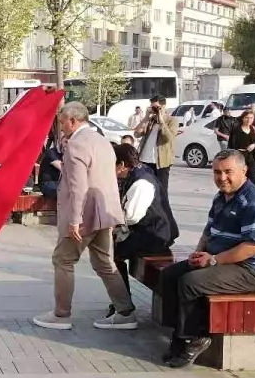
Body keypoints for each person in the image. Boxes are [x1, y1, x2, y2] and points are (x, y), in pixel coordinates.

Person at [158, 150, 255, 368]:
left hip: (249, 268)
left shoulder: (254, 201)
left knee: (191, 283)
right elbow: (209, 229)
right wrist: (199, 252)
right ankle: (178, 335)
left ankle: (195, 337)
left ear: (244, 171)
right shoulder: (221, 197)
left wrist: (212, 260)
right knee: (169, 275)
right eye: (217, 172)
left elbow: (252, 247)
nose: (222, 178)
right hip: (218, 259)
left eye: (228, 172)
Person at [32, 101, 135, 331]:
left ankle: (61, 315)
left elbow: (78, 186)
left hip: (84, 215)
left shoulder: (77, 145)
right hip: (104, 213)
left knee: (63, 259)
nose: (61, 128)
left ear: (72, 120)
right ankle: (125, 312)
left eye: (61, 123)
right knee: (104, 263)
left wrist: (75, 220)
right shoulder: (102, 140)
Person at [111, 143, 173, 312]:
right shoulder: (138, 174)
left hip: (155, 234)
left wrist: (112, 224)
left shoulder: (141, 182)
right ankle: (121, 301)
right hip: (149, 231)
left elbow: (131, 216)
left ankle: (123, 307)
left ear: (122, 165)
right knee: (113, 251)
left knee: (112, 258)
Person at [132, 95, 179, 240]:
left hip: (161, 163)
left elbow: (169, 138)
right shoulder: (150, 121)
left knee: (162, 196)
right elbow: (136, 133)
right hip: (145, 162)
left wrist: (162, 119)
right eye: (152, 106)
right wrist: (146, 117)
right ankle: (147, 229)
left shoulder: (172, 120)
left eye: (157, 107)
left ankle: (169, 231)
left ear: (164, 106)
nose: (154, 109)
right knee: (144, 197)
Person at [226, 109, 255, 187]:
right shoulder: (236, 130)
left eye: (251, 118)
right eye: (247, 117)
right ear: (243, 118)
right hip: (239, 158)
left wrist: (254, 145)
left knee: (253, 182)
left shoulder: (254, 130)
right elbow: (230, 145)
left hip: (251, 158)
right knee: (240, 181)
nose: (249, 120)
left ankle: (252, 197)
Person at [37, 132, 63, 198]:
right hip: (47, 184)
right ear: (58, 140)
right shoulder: (51, 152)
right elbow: (62, 167)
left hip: (58, 183)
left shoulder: (66, 153)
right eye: (63, 138)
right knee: (65, 191)